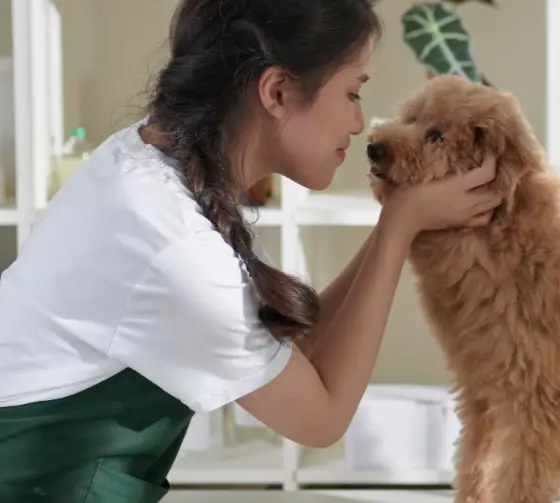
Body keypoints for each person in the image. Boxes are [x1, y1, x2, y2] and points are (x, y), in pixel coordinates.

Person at [0, 0, 501, 501]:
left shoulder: (147, 163)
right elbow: (320, 419)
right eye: (352, 92)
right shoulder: (177, 249)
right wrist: (399, 226)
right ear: (277, 91)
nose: (358, 122)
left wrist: (398, 221)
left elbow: (294, 357)